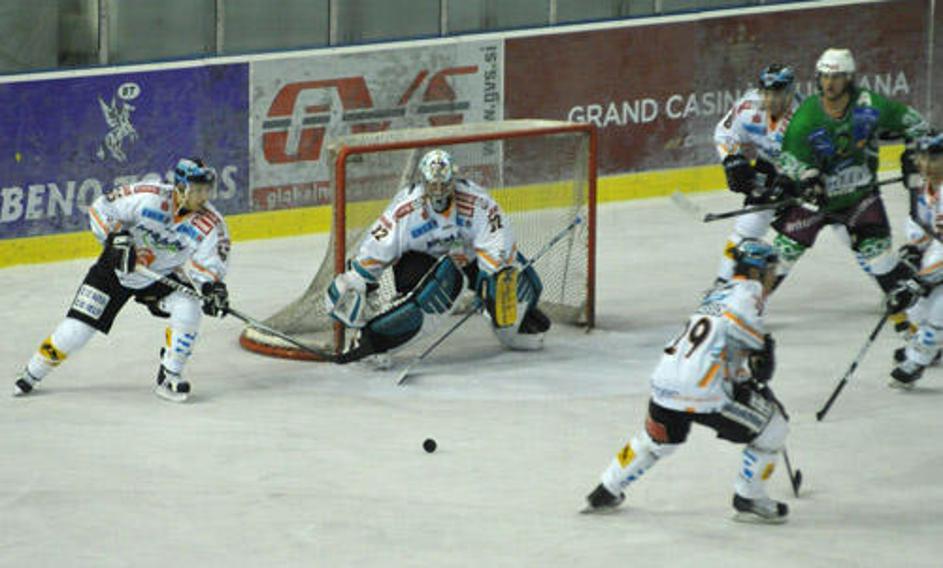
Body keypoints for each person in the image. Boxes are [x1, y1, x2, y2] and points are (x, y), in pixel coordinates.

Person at [582, 239, 790, 524]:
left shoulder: (717, 293)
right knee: (775, 428)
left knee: (657, 442)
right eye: (770, 271)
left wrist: (743, 375)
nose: (772, 279)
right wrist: (764, 355)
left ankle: (605, 491)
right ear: (756, 271)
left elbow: (718, 346)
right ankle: (749, 498)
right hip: (704, 392)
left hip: (666, 381)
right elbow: (760, 366)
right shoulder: (748, 296)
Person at [12, 158, 231, 403]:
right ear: (180, 187)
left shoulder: (211, 224)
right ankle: (33, 372)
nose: (204, 196)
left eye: (206, 190)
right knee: (75, 332)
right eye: (198, 190)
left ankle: (170, 375)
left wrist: (213, 289)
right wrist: (115, 239)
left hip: (160, 275)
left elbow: (209, 267)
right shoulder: (149, 196)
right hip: (115, 269)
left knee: (189, 307)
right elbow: (101, 207)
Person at [324, 148, 550, 363]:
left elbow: (497, 240)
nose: (439, 190)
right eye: (433, 184)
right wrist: (356, 280)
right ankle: (377, 340)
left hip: (471, 259)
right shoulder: (405, 210)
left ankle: (516, 324)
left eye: (444, 184)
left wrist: (492, 279)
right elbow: (376, 249)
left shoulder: (478, 202)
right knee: (436, 290)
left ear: (454, 180)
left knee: (509, 284)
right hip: (421, 264)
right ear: (423, 182)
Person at [772, 48, 929, 312]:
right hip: (815, 202)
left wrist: (913, 155)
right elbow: (788, 158)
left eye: (836, 77)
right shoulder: (807, 114)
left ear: (849, 78)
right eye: (824, 76)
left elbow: (918, 126)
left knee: (879, 257)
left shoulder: (870, 105)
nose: (829, 83)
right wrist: (807, 177)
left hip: (860, 198)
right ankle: (745, 306)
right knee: (782, 256)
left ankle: (918, 302)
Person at [884, 131, 943, 387]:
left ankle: (918, 359)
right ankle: (930, 345)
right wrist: (914, 250)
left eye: (935, 158)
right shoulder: (924, 188)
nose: (926, 164)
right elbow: (925, 227)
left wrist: (922, 281)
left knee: (940, 307)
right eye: (923, 157)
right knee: (917, 307)